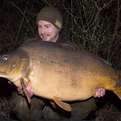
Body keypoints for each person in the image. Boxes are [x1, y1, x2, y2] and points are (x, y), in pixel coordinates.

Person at [10, 6, 106, 121]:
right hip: (38, 95)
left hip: (64, 94)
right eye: (40, 26)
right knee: (20, 103)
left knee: (88, 103)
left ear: (58, 27)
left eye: (47, 26)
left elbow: (85, 73)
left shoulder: (70, 49)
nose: (43, 31)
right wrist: (22, 90)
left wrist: (98, 87)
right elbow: (15, 75)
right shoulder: (30, 46)